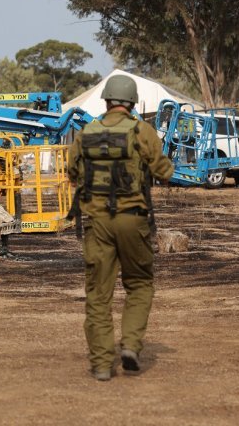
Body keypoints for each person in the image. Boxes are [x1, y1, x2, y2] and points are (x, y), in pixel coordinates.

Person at [67, 75, 174, 381]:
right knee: (139, 284)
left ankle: (102, 364)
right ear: (131, 103)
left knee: (98, 294)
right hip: (133, 220)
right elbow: (164, 171)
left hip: (97, 223)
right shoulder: (142, 131)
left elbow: (72, 172)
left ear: (107, 101)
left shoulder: (85, 132)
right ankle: (129, 346)